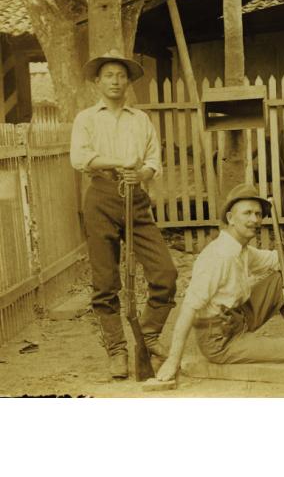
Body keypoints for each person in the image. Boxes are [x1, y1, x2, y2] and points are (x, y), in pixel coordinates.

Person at [156, 183, 284, 382]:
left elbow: (278, 259)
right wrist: (173, 361)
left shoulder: (241, 248)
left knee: (282, 278)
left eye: (258, 214)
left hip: (239, 317)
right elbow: (188, 309)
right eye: (248, 213)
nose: (255, 220)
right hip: (219, 340)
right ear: (230, 218)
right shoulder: (219, 257)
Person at [70, 50, 177, 379]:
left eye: (121, 76)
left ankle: (148, 335)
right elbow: (79, 157)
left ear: (129, 82)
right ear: (97, 82)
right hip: (101, 195)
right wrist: (117, 163)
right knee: (105, 282)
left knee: (165, 274)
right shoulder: (86, 119)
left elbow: (153, 161)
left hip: (136, 198)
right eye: (109, 76)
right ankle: (116, 349)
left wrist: (141, 174)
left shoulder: (140, 119)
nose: (115, 81)